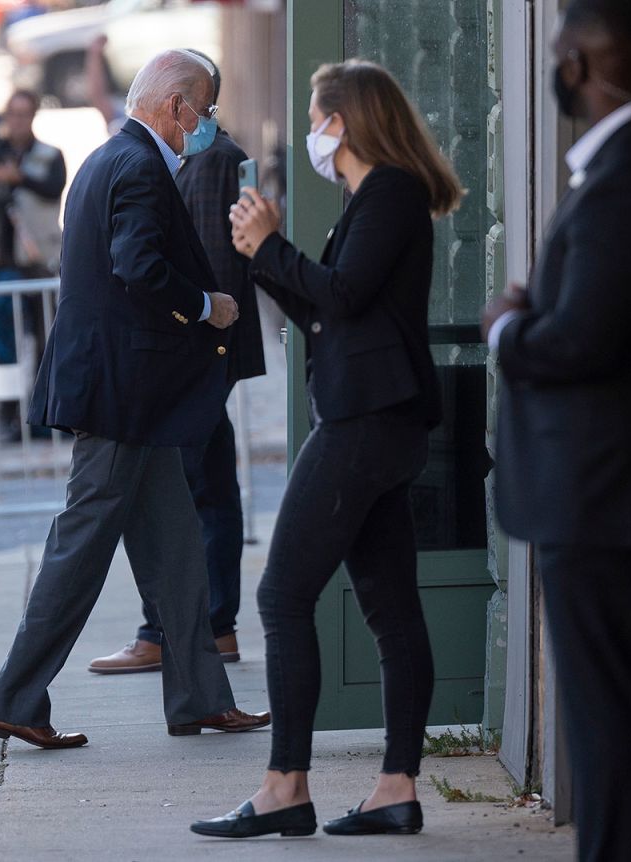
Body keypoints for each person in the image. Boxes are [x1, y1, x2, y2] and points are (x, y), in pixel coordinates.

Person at [195, 59, 461, 839]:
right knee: (389, 606)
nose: (313, 133)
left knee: (281, 597)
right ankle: (395, 788)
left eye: (317, 118)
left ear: (341, 121)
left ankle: (286, 786)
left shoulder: (391, 192)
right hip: (373, 416)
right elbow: (329, 310)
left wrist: (269, 244)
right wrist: (262, 254)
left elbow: (340, 296)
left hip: (366, 421)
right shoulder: (374, 196)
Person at [0, 49, 269, 750]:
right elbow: (137, 265)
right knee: (80, 548)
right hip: (122, 396)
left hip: (136, 399)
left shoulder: (111, 158)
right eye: (204, 108)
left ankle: (201, 697)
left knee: (177, 557)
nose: (206, 124)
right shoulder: (138, 166)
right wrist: (208, 305)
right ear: (178, 106)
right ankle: (15, 700)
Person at [481, 2, 631, 859]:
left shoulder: (626, 178)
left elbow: (581, 339)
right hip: (610, 494)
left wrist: (507, 326)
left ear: (576, 63)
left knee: (610, 733)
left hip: (600, 501)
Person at [90, 51, 265, 674]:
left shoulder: (210, 158)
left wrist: (197, 330)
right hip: (195, 351)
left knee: (192, 492)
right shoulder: (170, 156)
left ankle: (186, 629)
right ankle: (193, 629)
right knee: (202, 488)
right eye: (206, 105)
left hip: (197, 353)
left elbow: (213, 265)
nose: (209, 117)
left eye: (212, 105)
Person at [0, 88, 65, 439]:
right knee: (1, 343)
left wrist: (18, 178)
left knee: (43, 341)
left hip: (37, 262)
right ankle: (7, 419)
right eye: (12, 114)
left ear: (33, 115)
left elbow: (54, 186)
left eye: (24, 114)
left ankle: (43, 417)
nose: (17, 121)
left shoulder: (48, 154)